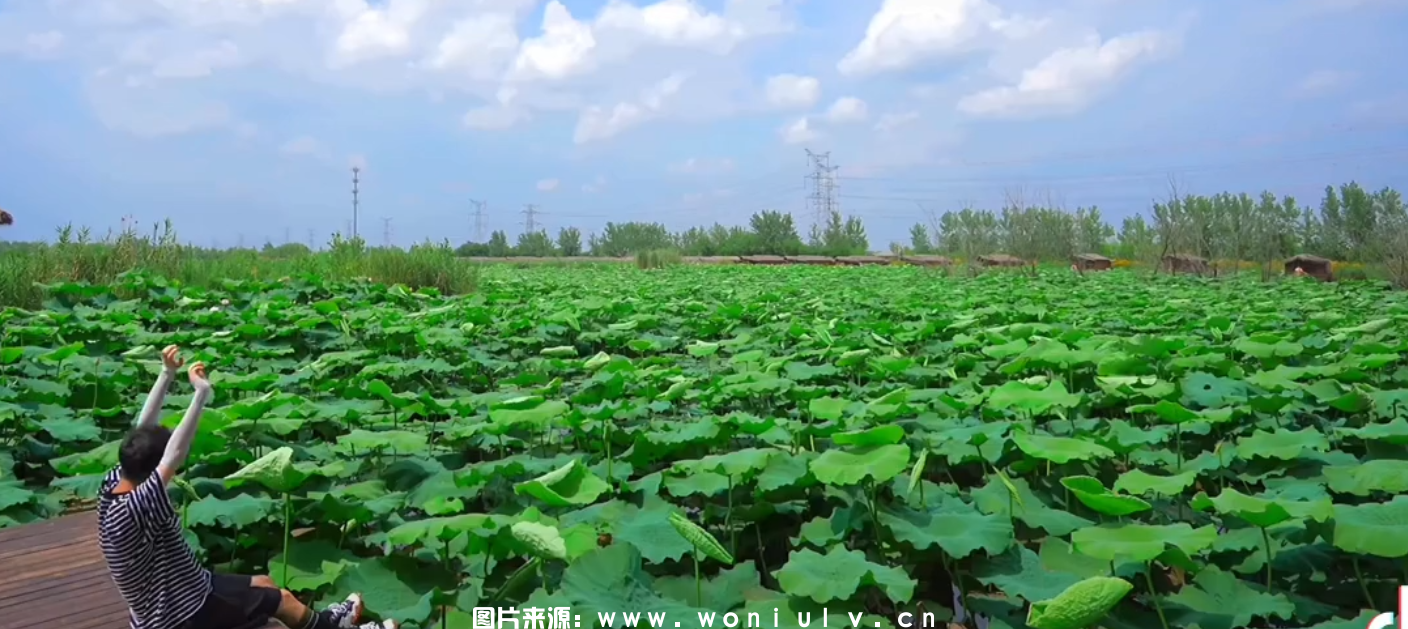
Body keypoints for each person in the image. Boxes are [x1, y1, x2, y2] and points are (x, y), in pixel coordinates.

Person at [99, 345, 398, 629]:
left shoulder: (116, 482)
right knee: (280, 599)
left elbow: (141, 431)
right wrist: (201, 395)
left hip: (187, 588)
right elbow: (174, 454)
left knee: (264, 583)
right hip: (180, 614)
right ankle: (327, 627)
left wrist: (166, 374)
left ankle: (327, 622)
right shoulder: (135, 508)